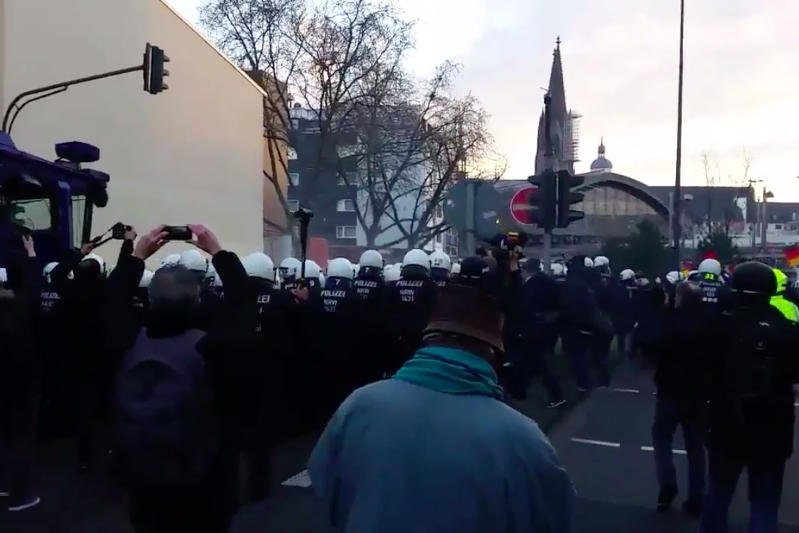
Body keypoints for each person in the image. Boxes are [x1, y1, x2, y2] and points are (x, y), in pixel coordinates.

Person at [309, 282, 575, 532]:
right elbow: (553, 519)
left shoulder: (359, 404)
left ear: (427, 339)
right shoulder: (523, 440)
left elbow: (325, 481)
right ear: (493, 353)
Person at [109, 225, 250, 533]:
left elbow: (110, 303)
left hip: (143, 478)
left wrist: (136, 254)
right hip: (203, 484)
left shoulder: (129, 342)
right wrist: (219, 252)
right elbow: (243, 307)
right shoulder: (211, 348)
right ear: (197, 300)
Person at [701, 261, 799, 533]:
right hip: (773, 426)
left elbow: (702, 368)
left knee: (719, 493)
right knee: (764, 503)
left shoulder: (719, 324)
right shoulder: (786, 328)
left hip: (726, 421)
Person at [652, 281, 709, 515]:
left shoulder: (670, 323)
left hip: (669, 390)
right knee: (696, 447)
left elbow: (657, 350)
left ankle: (667, 483)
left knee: (662, 438)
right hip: (697, 394)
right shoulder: (708, 325)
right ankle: (696, 497)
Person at [0, 234, 42, 511]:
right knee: (20, 439)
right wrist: (31, 252)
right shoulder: (21, 310)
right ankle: (19, 495)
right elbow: (33, 285)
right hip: (20, 384)